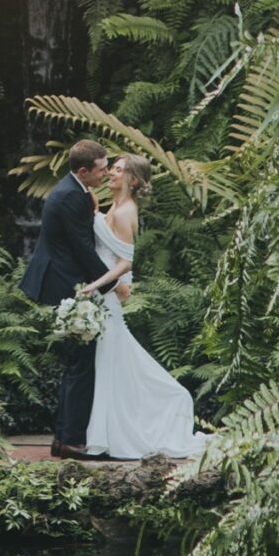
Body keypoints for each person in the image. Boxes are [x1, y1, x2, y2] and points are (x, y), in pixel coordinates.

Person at [77, 154, 203, 461]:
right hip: (105, 292)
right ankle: (108, 432)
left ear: (133, 180)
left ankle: (159, 410)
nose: (111, 173)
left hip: (103, 291)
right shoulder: (115, 207)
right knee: (114, 362)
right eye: (112, 168)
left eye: (119, 170)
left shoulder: (126, 211)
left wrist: (98, 285)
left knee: (115, 360)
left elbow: (126, 261)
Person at [20, 136, 117, 458]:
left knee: (75, 363)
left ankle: (63, 439)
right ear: (84, 169)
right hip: (67, 285)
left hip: (63, 279)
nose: (105, 174)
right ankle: (72, 440)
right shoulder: (70, 197)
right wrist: (111, 284)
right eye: (102, 169)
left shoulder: (73, 190)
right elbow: (82, 248)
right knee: (81, 364)